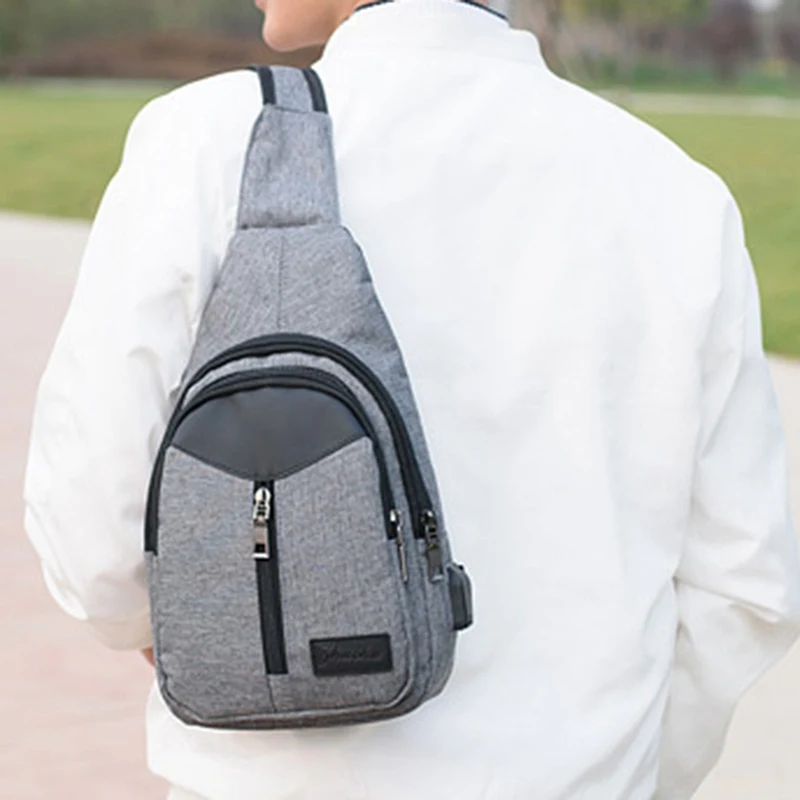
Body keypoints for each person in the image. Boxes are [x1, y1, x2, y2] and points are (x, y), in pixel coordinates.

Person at [22, 0, 800, 798]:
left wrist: (220, 630)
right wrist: (633, 771)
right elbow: (744, 585)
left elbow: (94, 527)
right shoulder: (674, 188)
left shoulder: (211, 141)